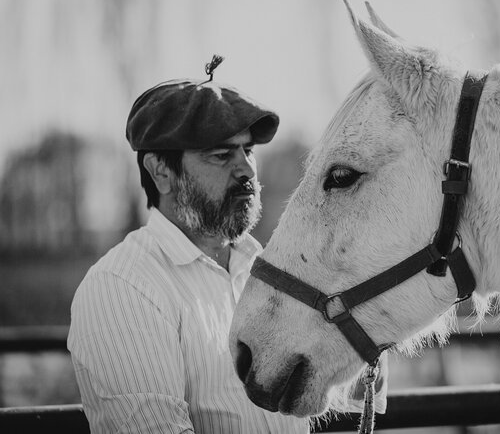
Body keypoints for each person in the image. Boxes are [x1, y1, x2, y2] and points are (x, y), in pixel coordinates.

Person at [67, 57, 386, 434]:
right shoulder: (121, 287)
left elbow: (350, 409)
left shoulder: (274, 271)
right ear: (161, 172)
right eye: (222, 155)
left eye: (247, 151)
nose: (248, 170)